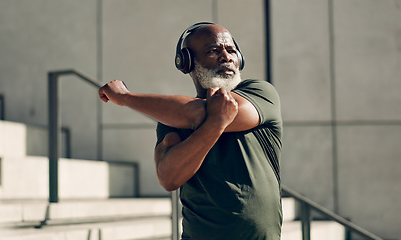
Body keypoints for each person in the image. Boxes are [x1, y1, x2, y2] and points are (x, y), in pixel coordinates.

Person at [99, 22, 283, 240]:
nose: (226, 57)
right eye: (213, 50)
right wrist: (214, 126)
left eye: (231, 50)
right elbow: (169, 178)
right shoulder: (171, 117)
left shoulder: (261, 92)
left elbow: (204, 112)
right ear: (186, 62)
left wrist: (126, 98)